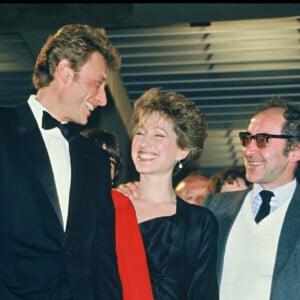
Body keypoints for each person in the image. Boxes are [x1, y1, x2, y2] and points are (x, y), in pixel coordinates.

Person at [0, 24, 123, 299]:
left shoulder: (96, 161)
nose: (103, 99)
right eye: (98, 83)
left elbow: (103, 262)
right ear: (65, 72)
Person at [117, 87, 219, 299]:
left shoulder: (199, 223)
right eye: (140, 133)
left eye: (158, 135)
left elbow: (203, 293)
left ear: (183, 150)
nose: (144, 143)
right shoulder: (110, 208)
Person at [203, 97, 300, 300]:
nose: (248, 150)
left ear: (294, 151)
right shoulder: (215, 208)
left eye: (263, 140)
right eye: (247, 138)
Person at [81, 127, 154, 300]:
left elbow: (134, 275)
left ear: (114, 175)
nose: (100, 166)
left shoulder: (119, 204)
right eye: (93, 158)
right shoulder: (54, 198)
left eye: (110, 163)